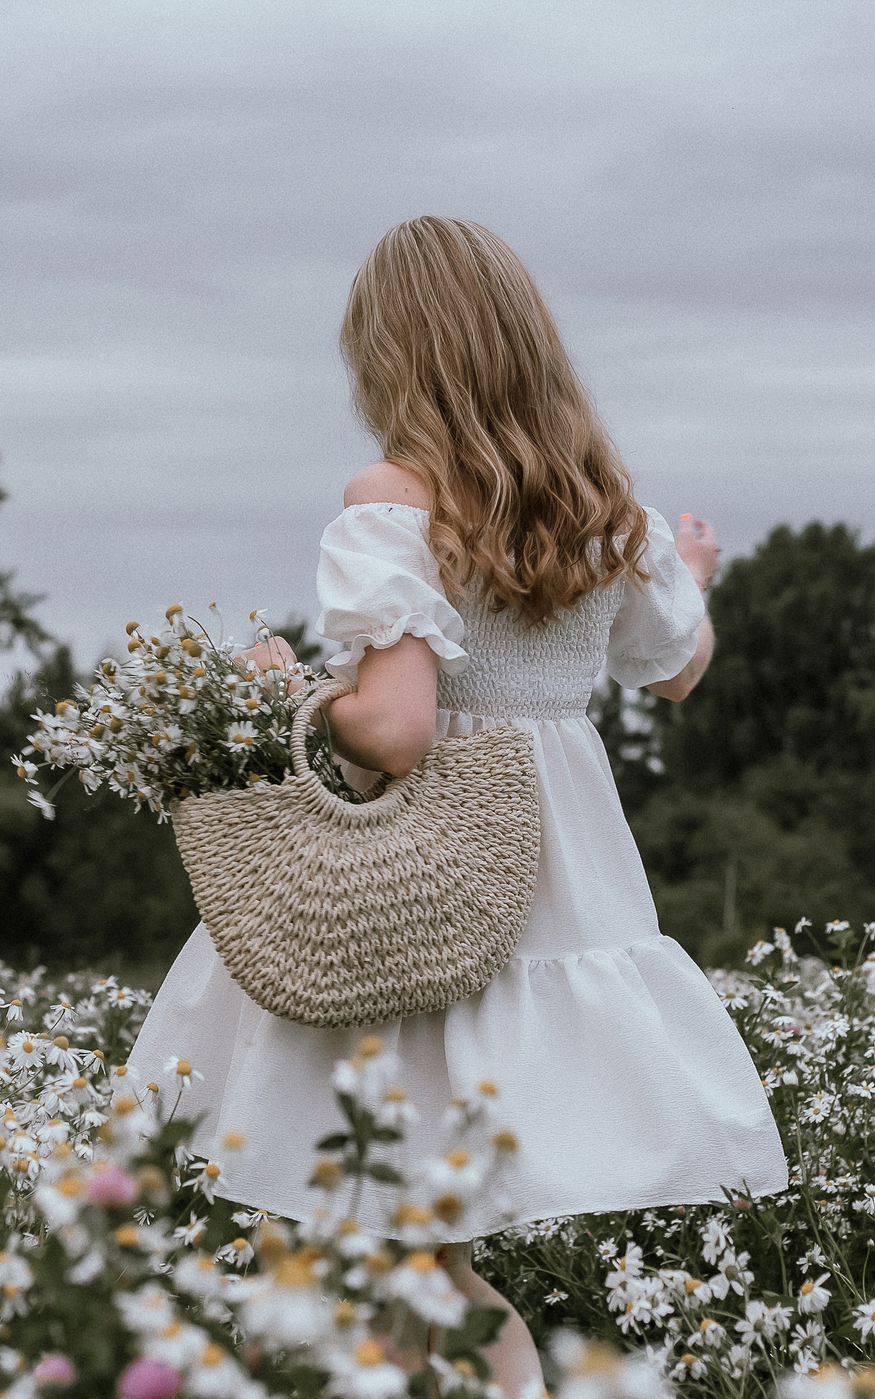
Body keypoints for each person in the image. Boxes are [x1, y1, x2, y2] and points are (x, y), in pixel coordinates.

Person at [128, 216, 788, 1396]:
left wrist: (291, 687)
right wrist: (691, 577)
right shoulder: (609, 513)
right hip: (553, 872)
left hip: (423, 868)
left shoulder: (393, 498)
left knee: (400, 1250)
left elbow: (396, 725)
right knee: (420, 1245)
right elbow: (676, 666)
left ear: (393, 356)